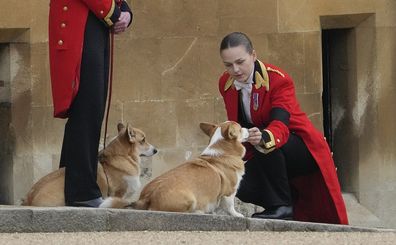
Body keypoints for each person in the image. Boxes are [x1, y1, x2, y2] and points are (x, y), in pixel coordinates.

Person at [218, 32, 348, 224]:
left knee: (267, 145)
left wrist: (264, 137)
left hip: (301, 147)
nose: (235, 70)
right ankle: (280, 204)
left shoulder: (279, 79)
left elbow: (280, 123)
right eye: (228, 65)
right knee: (236, 182)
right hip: (262, 150)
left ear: (253, 55)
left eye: (240, 61)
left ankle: (282, 207)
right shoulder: (225, 83)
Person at [48, 0, 133, 207]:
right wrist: (113, 13)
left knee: (91, 109)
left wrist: (125, 12)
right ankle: (81, 191)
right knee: (86, 109)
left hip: (94, 23)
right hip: (81, 24)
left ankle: (67, 187)